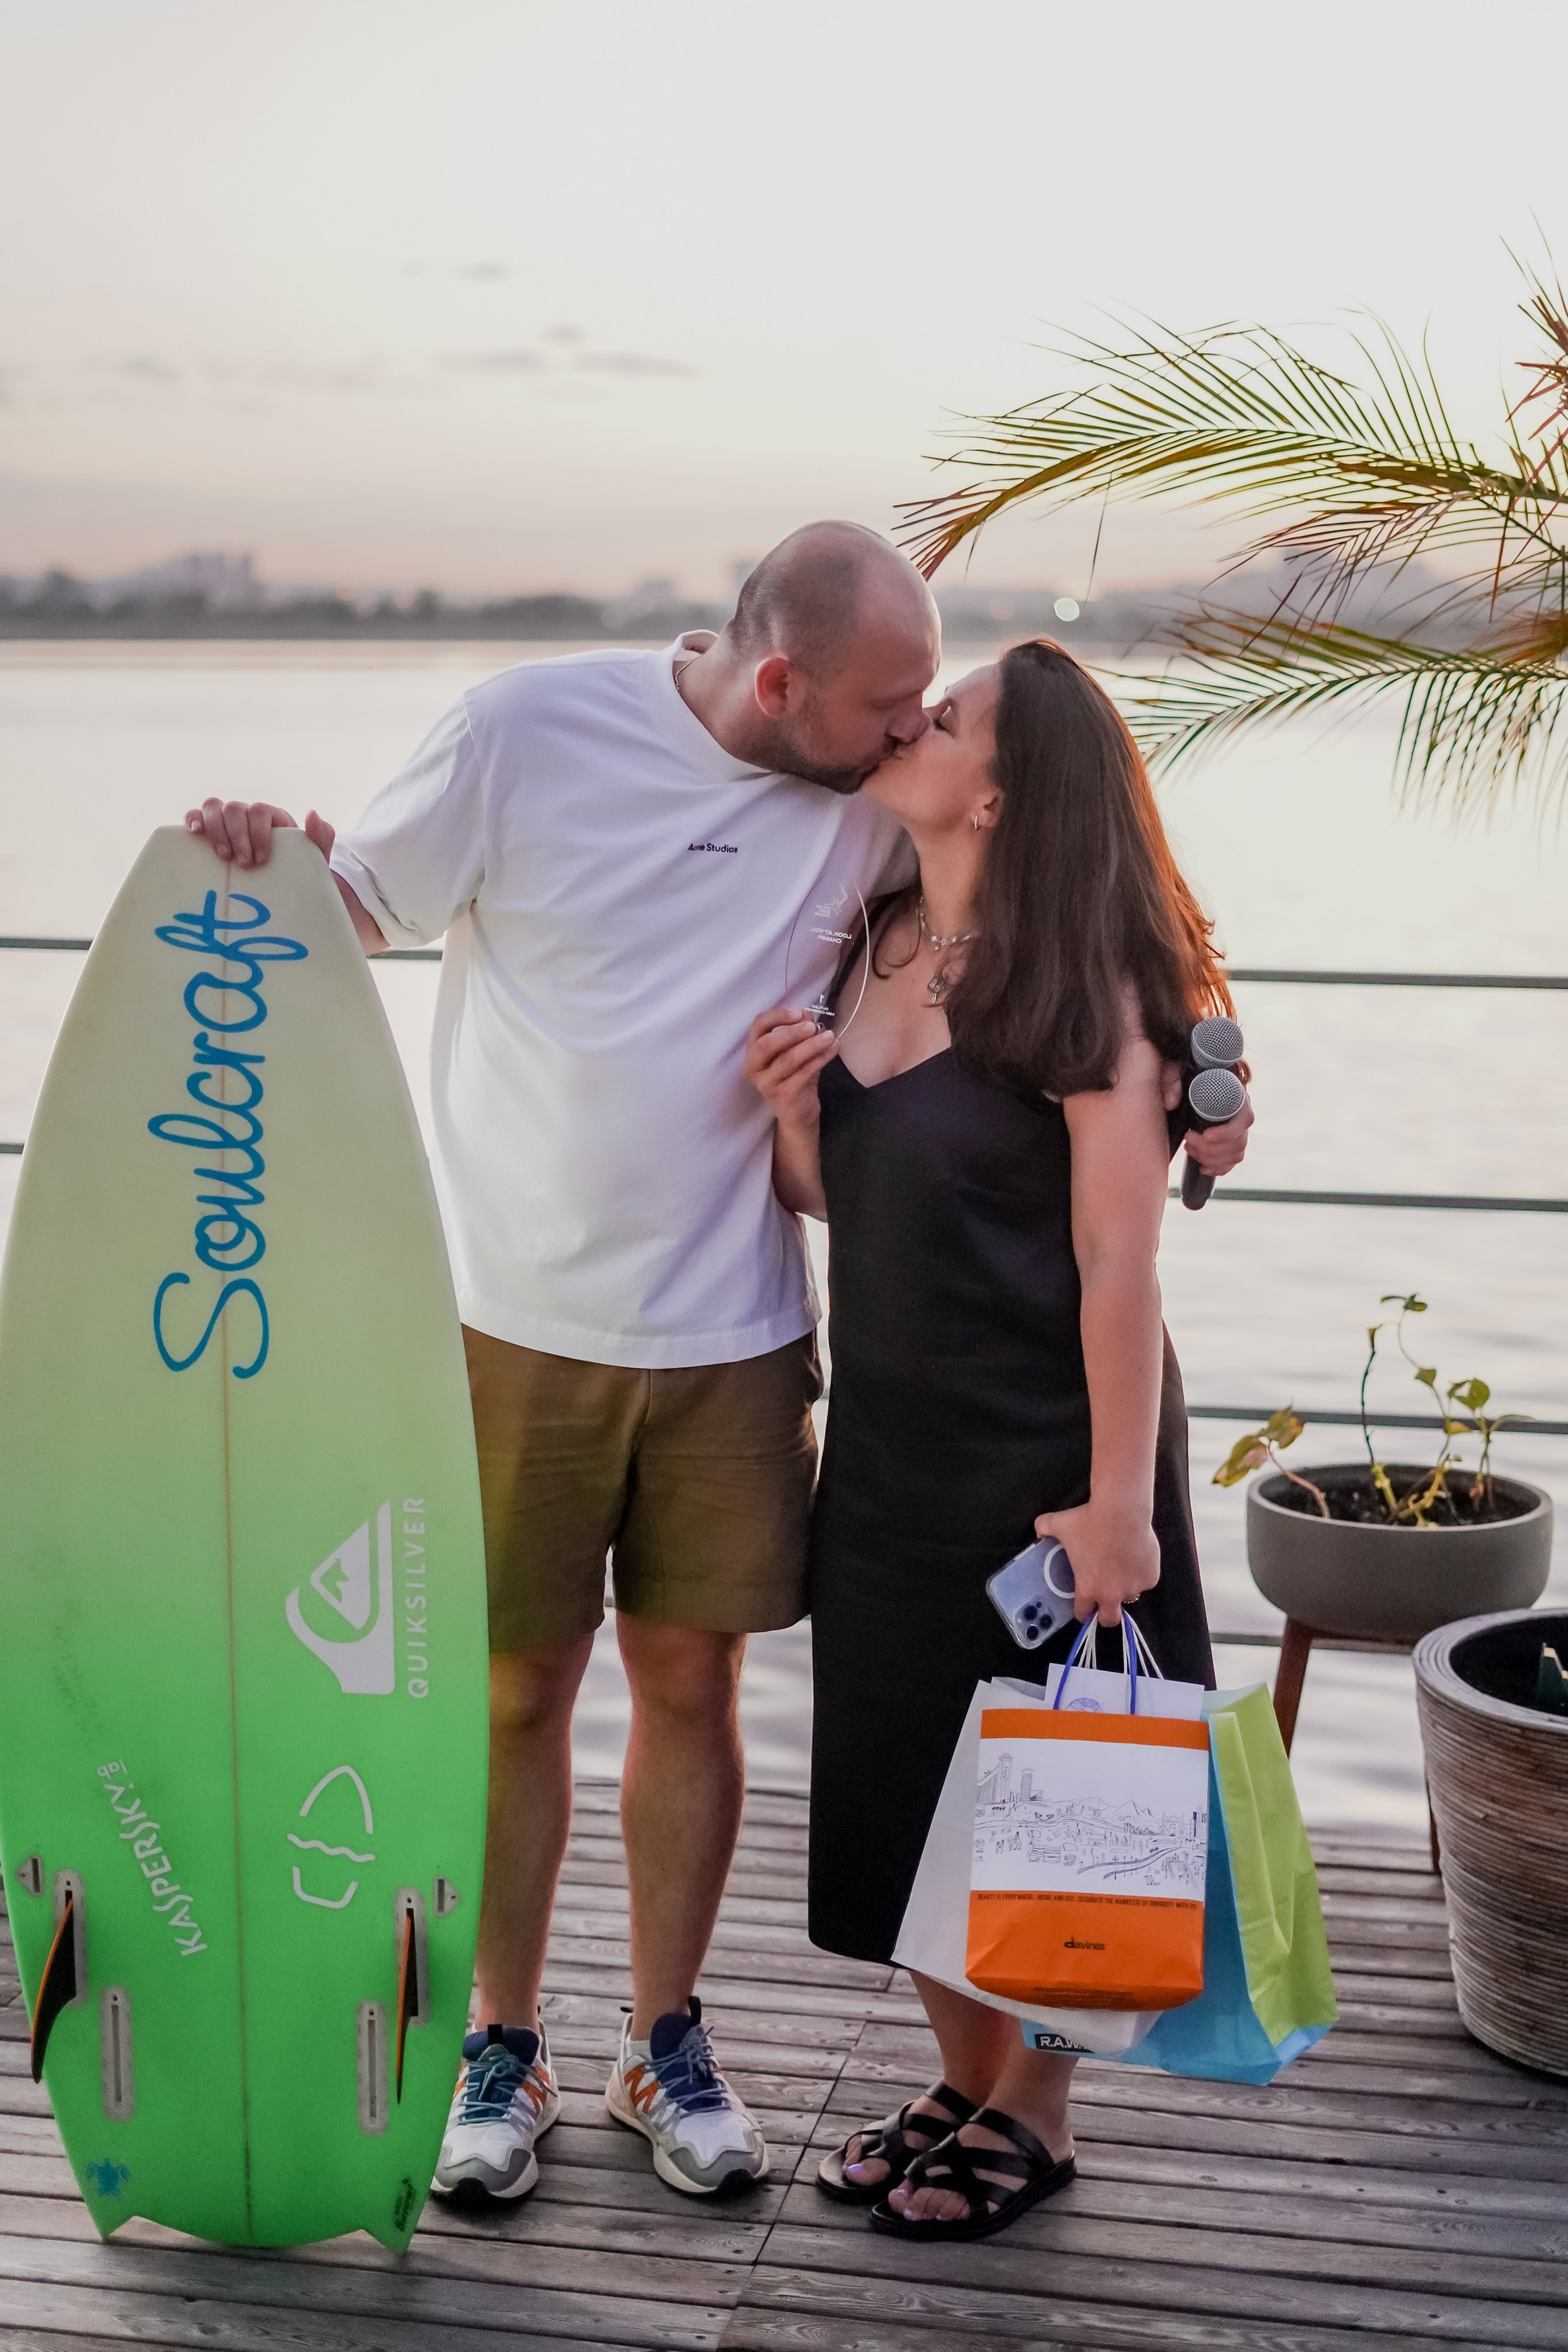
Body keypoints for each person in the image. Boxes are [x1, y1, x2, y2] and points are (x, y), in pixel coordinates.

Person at [743, 636, 1233, 2243]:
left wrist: (1119, 1507)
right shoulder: (876, 936)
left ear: (1003, 792)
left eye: (944, 717)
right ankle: (964, 2080)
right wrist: (797, 1118)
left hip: (1049, 1458)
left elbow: (1119, 1263)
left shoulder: (1088, 988)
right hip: (891, 1449)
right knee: (904, 1782)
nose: (914, 719)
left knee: (1052, 1799)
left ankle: (1040, 2108)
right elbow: (851, 1198)